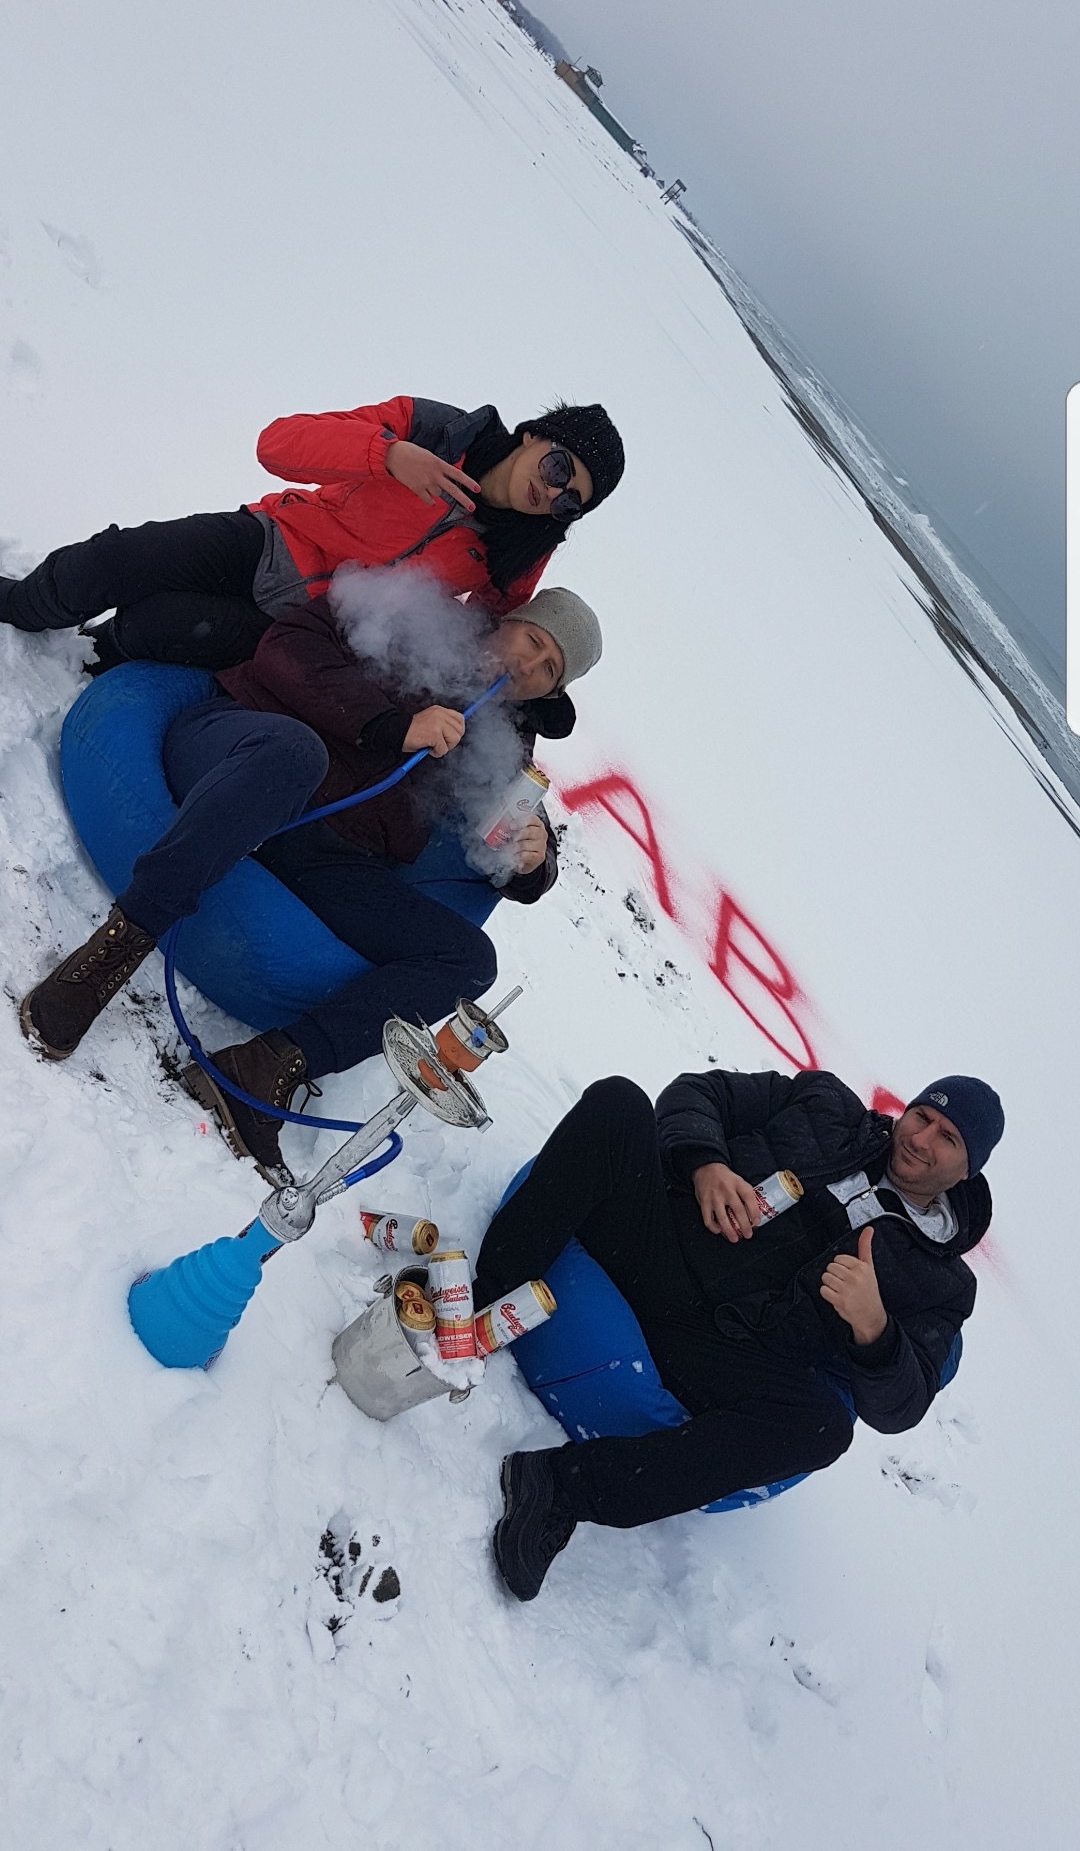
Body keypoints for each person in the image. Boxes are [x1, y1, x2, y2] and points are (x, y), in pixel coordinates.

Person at [19, 580, 603, 1184]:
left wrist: (536, 863)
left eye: (548, 670)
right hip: (244, 752)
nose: (527, 665)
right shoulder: (407, 613)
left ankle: (264, 1068)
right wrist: (391, 725)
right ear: (507, 621)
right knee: (297, 752)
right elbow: (286, 648)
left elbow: (510, 820)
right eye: (532, 640)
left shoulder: (507, 737)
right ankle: (109, 957)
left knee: (468, 959)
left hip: (326, 849)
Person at [476, 1064, 1004, 1600]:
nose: (920, 1138)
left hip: (725, 1346)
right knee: (619, 1102)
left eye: (948, 1138)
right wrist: (706, 1162)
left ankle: (560, 1490)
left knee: (822, 1427)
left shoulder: (943, 1284)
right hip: (659, 1247)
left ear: (968, 1170)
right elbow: (699, 1092)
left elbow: (901, 1405)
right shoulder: (826, 1102)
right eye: (921, 1115)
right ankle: (479, 1302)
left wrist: (875, 1329)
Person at [0, 397, 624, 668]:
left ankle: (87, 664)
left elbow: (498, 639)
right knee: (110, 562)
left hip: (318, 623)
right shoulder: (435, 430)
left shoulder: (521, 552)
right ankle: (20, 608)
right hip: (271, 541)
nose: (553, 492)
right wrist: (387, 454)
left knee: (154, 627)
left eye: (572, 501)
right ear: (536, 435)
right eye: (558, 467)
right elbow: (278, 443)